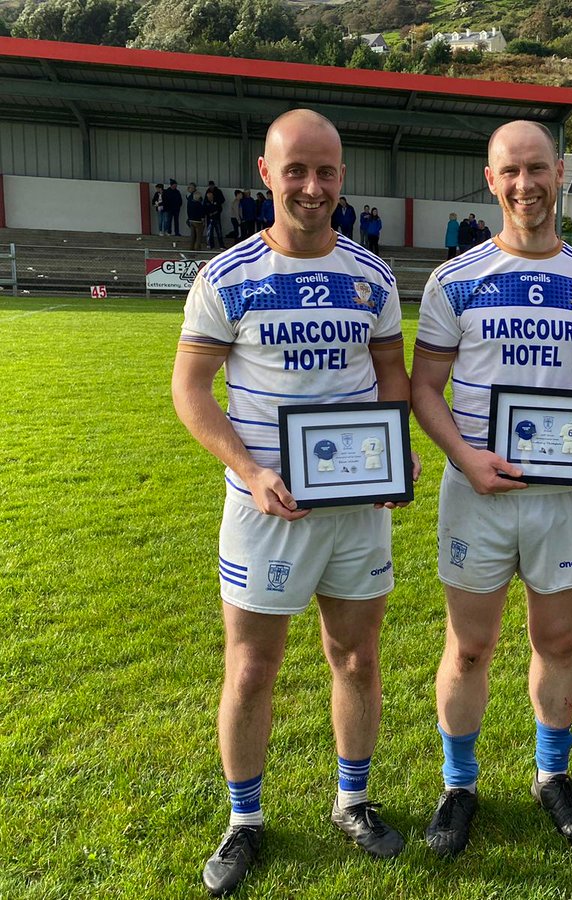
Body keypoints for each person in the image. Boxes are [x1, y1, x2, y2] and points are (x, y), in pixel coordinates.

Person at [172, 109, 417, 897]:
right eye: (298, 170)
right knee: (251, 669)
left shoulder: (370, 276)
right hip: (263, 509)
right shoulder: (228, 276)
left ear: (342, 178)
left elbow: (391, 378)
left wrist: (395, 455)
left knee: (357, 656)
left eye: (328, 172)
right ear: (266, 173)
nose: (313, 187)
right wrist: (248, 470)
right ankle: (245, 820)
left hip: (354, 507)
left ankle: (353, 800)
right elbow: (189, 390)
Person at [410, 120, 572, 858]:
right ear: (491, 179)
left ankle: (551, 775)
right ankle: (458, 784)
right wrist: (465, 456)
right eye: (510, 171)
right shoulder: (455, 279)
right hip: (479, 493)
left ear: (559, 172)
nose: (525, 184)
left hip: (561, 499)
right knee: (469, 649)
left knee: (556, 641)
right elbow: (424, 387)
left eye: (538, 168)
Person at [186, 183, 206, 251]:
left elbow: (188, 211)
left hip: (191, 220)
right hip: (198, 221)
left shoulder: (190, 203)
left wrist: (189, 218)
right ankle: (197, 248)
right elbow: (202, 213)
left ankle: (191, 247)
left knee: (192, 235)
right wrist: (203, 219)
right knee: (198, 236)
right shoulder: (199, 204)